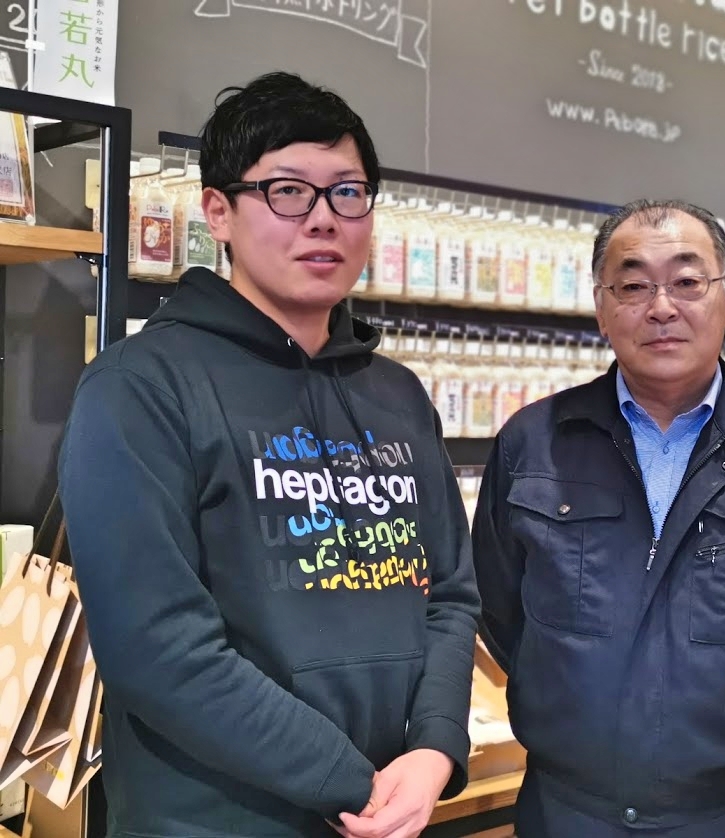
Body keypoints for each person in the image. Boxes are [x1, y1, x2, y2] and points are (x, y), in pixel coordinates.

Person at [58, 72, 480, 838]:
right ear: (218, 211)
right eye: (287, 191)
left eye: (347, 193)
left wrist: (434, 749)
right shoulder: (138, 388)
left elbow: (450, 595)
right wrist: (351, 782)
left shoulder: (397, 395)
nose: (323, 219)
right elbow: (158, 649)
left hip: (391, 810)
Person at [472, 199, 725, 836]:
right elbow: (500, 609)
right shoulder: (535, 443)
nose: (661, 307)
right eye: (633, 286)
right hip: (570, 811)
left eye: (687, 281)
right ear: (601, 306)